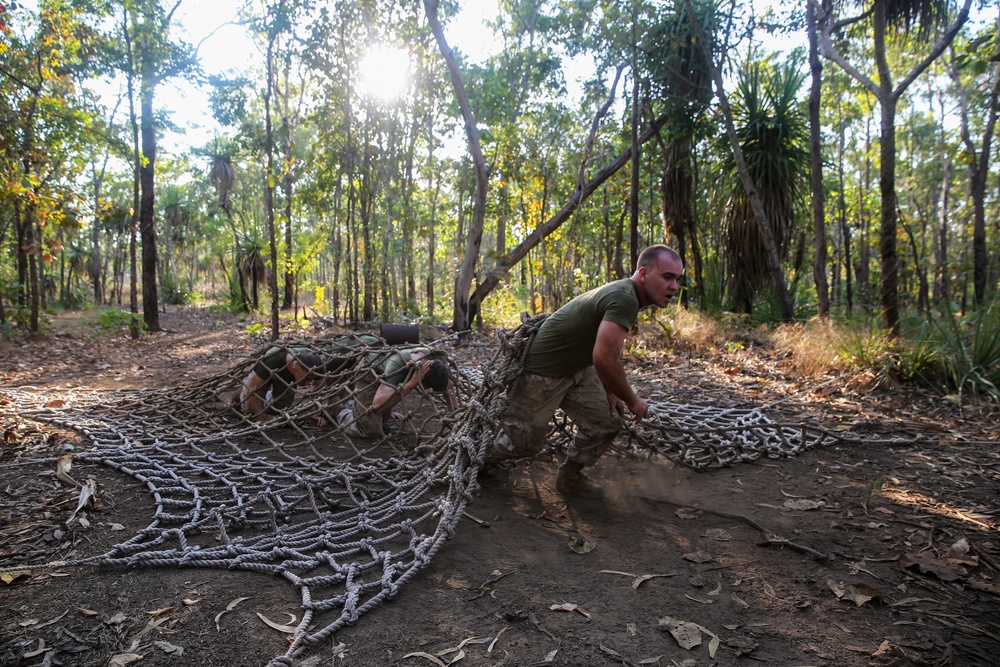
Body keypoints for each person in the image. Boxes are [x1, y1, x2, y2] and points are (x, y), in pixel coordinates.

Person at [484, 244, 684, 498]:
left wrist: (612, 389)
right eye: (667, 277)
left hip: (578, 368)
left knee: (606, 422)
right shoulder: (625, 297)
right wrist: (633, 400)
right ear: (643, 274)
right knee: (524, 444)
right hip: (541, 373)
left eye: (678, 279)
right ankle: (476, 461)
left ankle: (570, 477)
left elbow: (607, 350)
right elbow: (604, 357)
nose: (674, 286)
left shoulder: (628, 294)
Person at [341, 345, 458, 437]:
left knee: (384, 420)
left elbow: (449, 386)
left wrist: (454, 419)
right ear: (421, 380)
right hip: (369, 371)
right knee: (370, 429)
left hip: (388, 377)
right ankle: (340, 410)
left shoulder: (439, 358)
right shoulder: (397, 365)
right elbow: (376, 406)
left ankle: (355, 405)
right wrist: (411, 384)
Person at [238, 346, 326, 422]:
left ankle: (267, 399)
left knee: (279, 408)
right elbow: (253, 393)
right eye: (306, 379)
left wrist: (319, 413)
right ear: (294, 370)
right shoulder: (272, 361)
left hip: (286, 377)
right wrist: (264, 420)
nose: (308, 383)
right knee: (248, 407)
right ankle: (240, 392)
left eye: (312, 379)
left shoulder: (316, 366)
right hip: (266, 370)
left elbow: (323, 391)